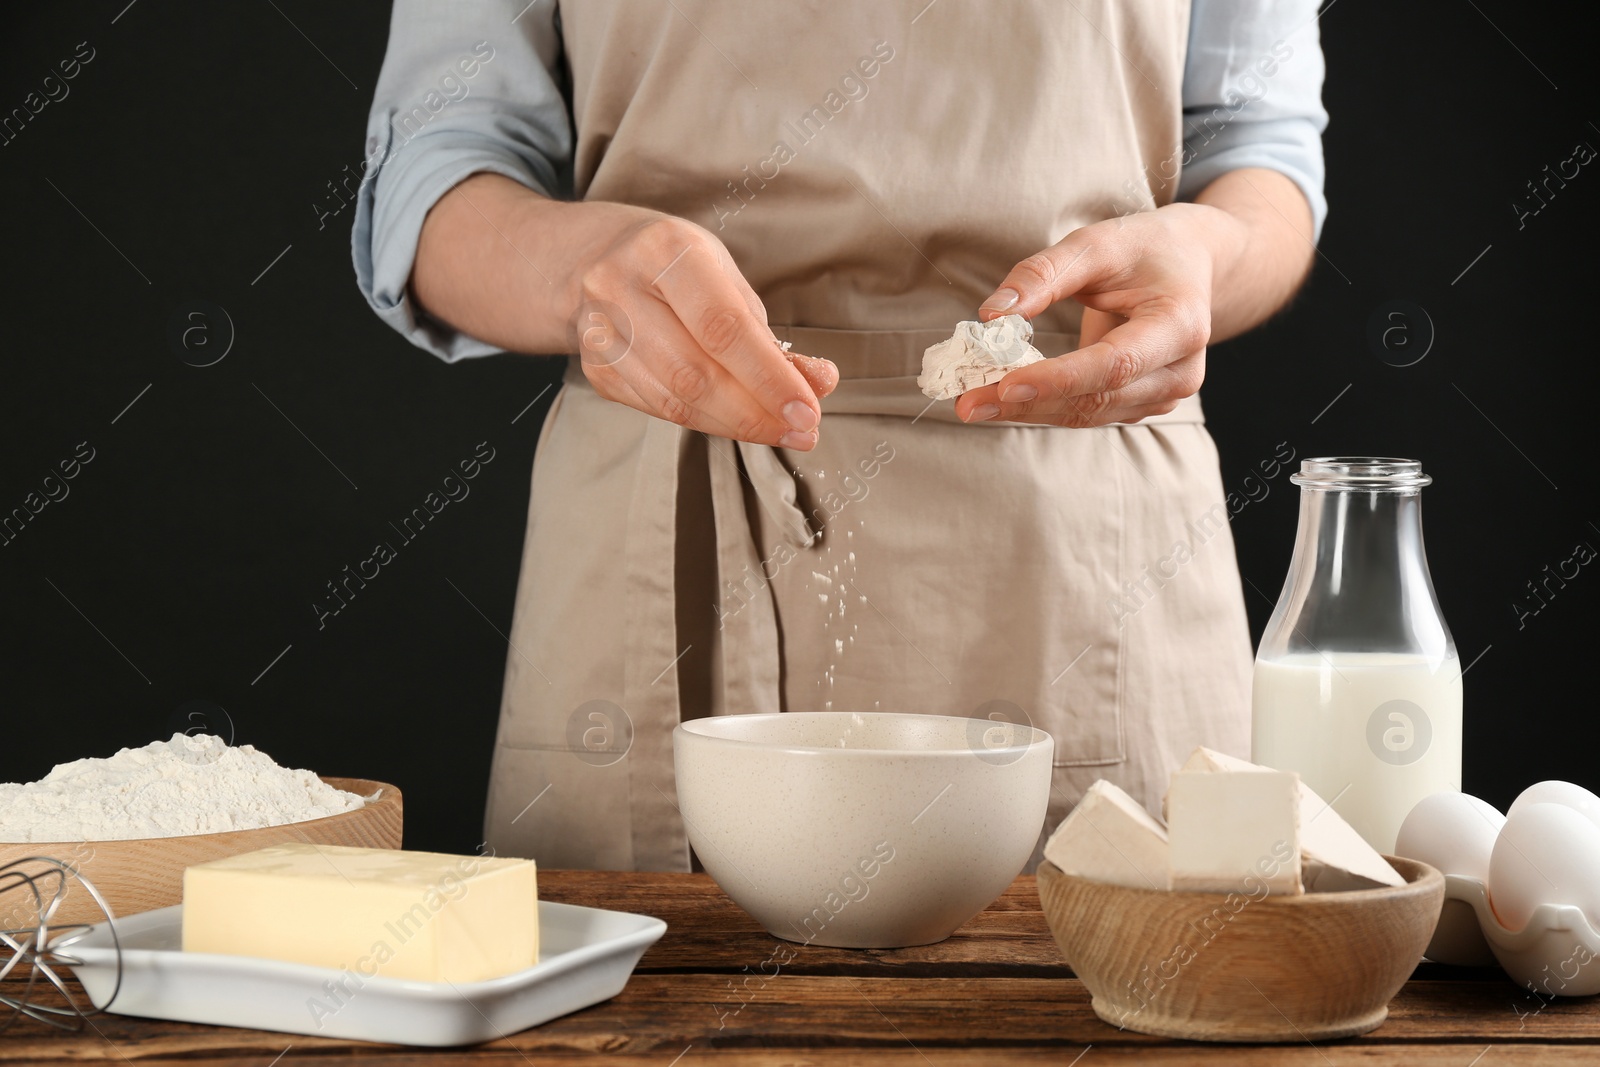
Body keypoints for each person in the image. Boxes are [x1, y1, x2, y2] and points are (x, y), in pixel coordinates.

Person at [354, 0, 1328, 870]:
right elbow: (439, 161)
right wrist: (585, 271)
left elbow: (1258, 150)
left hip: (1083, 539)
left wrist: (1207, 255)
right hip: (667, 512)